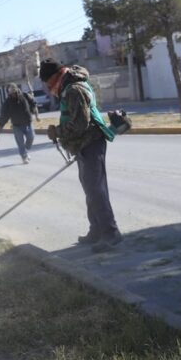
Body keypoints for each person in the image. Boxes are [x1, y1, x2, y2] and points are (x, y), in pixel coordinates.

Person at [40, 58, 122, 253]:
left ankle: (111, 233)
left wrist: (57, 131)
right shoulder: (69, 87)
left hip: (91, 142)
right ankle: (96, 230)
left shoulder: (74, 90)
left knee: (96, 190)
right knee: (90, 189)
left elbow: (80, 124)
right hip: (84, 144)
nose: (49, 89)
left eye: (48, 84)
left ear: (55, 77)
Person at [0, 84, 40, 164]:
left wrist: (36, 115)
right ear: (9, 93)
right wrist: (1, 123)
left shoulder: (25, 96)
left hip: (28, 122)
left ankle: (25, 151)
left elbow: (34, 104)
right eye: (11, 93)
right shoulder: (7, 102)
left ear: (17, 90)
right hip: (16, 125)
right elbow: (4, 114)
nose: (13, 95)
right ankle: (24, 157)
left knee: (31, 137)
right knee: (20, 143)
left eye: (14, 92)